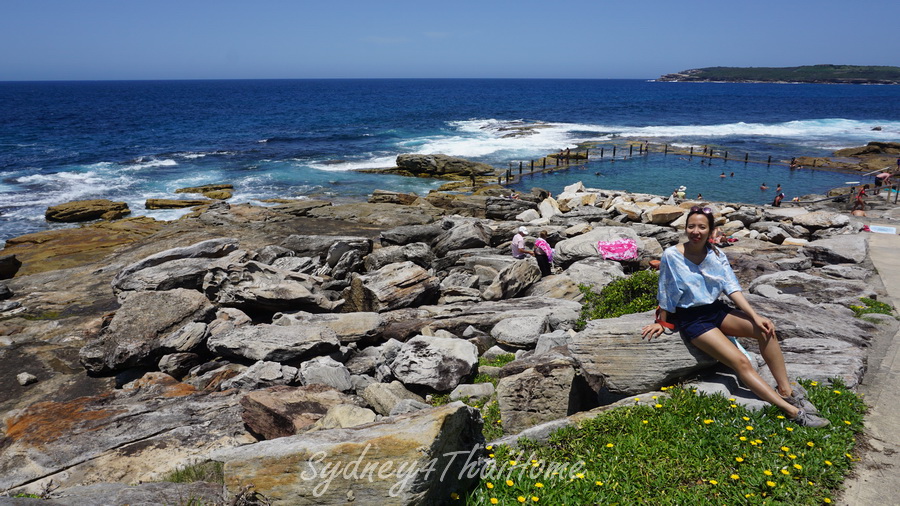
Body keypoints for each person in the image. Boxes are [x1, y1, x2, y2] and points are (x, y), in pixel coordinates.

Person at [641, 206, 829, 428]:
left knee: (766, 330)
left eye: (702, 227)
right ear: (685, 228)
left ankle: (785, 390)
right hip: (692, 319)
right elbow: (666, 289)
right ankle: (791, 411)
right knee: (740, 362)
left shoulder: (716, 254)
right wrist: (662, 321)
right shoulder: (672, 255)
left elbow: (731, 287)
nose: (696, 231)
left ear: (711, 231)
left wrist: (755, 316)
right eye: (691, 226)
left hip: (715, 310)